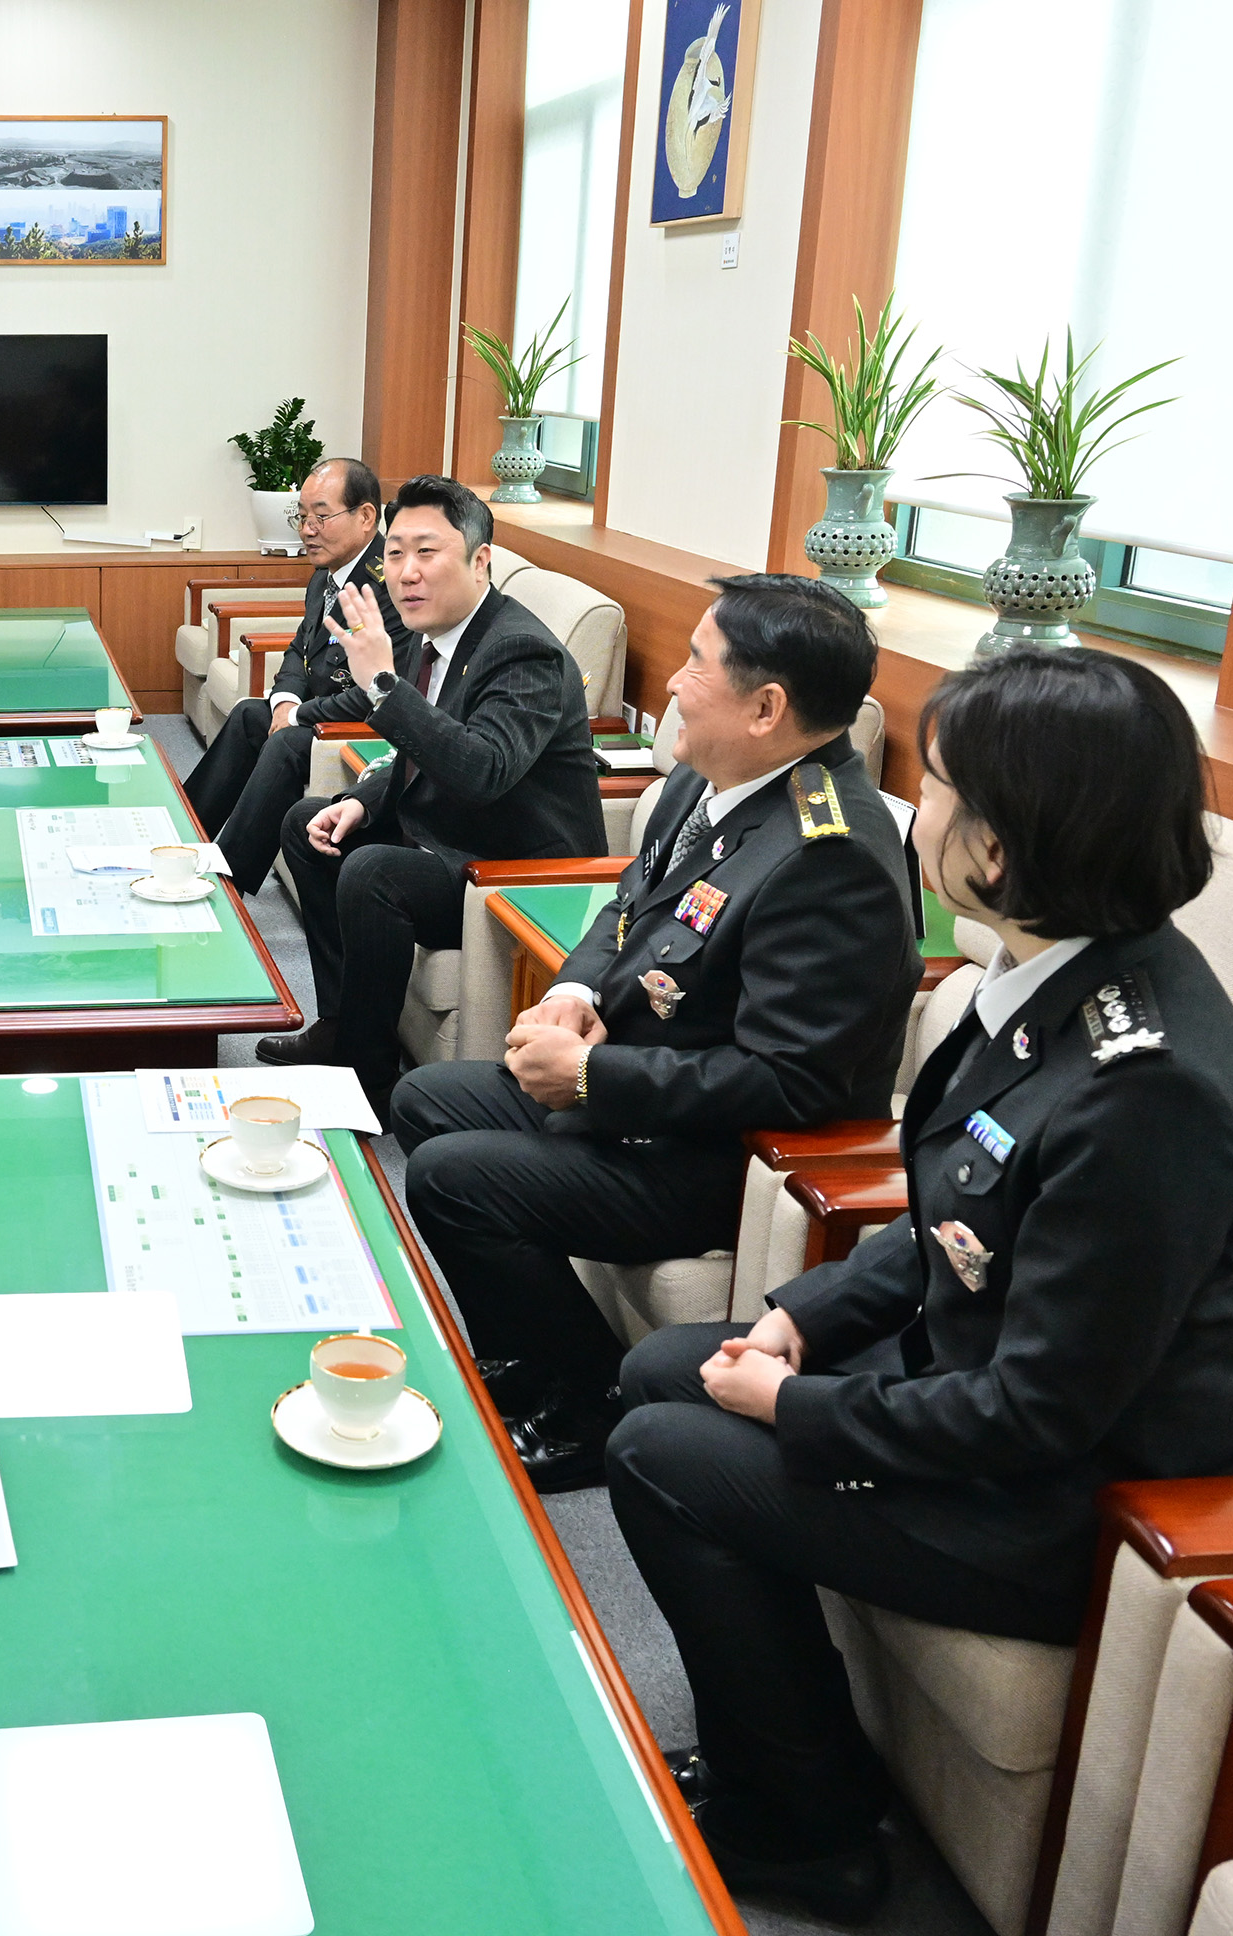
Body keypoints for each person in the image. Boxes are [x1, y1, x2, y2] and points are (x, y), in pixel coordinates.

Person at [605, 648, 1233, 1920]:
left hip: (1076, 1504)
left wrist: (793, 1411)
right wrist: (799, 1322)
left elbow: (1042, 1415)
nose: (914, 809)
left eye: (944, 786)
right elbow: (948, 1229)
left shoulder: (1151, 1091)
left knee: (656, 1450)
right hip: (976, 1389)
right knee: (661, 1365)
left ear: (1005, 847)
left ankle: (809, 1828)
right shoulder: (1044, 981)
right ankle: (788, 1742)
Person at [390, 573, 918, 1490]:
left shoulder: (829, 856)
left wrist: (595, 1077)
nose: (671, 682)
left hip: (717, 1157)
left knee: (451, 1180)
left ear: (766, 707)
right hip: (637, 1080)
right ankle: (530, 1359)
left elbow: (793, 1085)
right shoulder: (704, 779)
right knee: (426, 1096)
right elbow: (626, 907)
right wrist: (575, 992)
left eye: (697, 665)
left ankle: (593, 1404)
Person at [258, 474, 605, 1103]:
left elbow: (481, 770)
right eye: (394, 553)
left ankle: (364, 1082)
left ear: (480, 560)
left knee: (372, 873)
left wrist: (385, 686)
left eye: (427, 551)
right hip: (447, 833)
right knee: (309, 824)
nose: (406, 572)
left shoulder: (522, 651)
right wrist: (362, 800)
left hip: (509, 867)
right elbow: (416, 751)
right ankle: (341, 1026)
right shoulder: (431, 636)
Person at [180, 457, 404, 894]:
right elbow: (300, 649)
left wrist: (299, 716)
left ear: (365, 517)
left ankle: (227, 878)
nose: (306, 529)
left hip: (364, 724)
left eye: (321, 516)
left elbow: (379, 691)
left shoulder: (390, 586)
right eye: (301, 516)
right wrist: (285, 701)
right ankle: (181, 841)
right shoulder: (326, 575)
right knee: (251, 715)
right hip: (317, 712)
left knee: (286, 741)